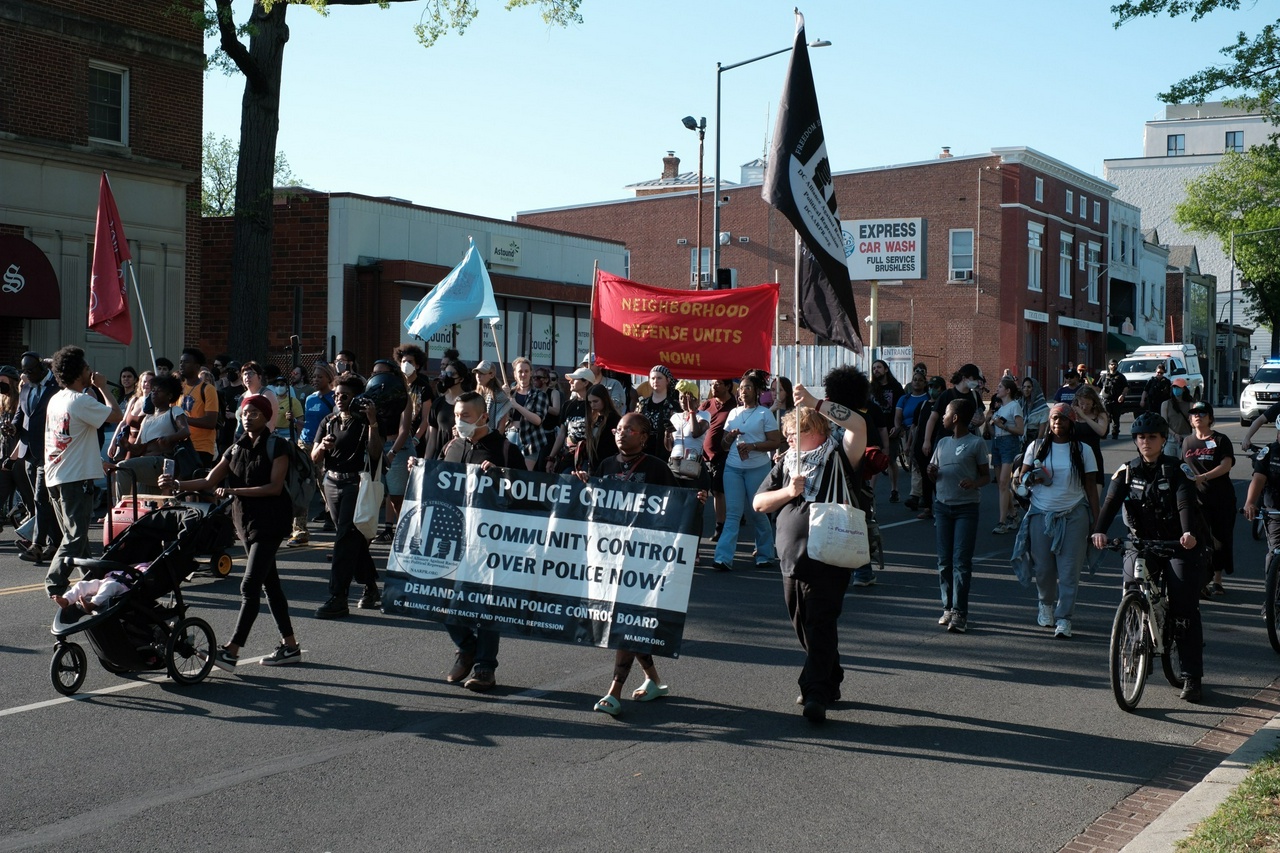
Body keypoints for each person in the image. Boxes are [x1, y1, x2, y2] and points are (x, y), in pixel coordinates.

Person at [161, 394, 301, 668]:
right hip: (246, 523)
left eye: (254, 414)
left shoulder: (278, 446)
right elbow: (209, 480)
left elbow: (274, 487)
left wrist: (234, 490)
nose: (247, 417)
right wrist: (177, 484)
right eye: (244, 413)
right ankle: (290, 646)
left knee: (249, 585)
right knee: (270, 585)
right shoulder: (236, 448)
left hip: (271, 523)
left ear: (266, 417)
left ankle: (231, 651)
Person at [754, 390, 867, 723]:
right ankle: (830, 677)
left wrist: (816, 402)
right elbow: (759, 504)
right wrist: (789, 491)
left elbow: (859, 425)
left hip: (830, 556)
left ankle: (815, 692)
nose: (788, 437)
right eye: (787, 432)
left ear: (816, 427)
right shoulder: (787, 463)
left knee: (820, 621)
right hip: (792, 559)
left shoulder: (840, 455)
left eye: (795, 431)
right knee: (804, 624)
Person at [1092, 411, 1206, 702]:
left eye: (1152, 437)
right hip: (1141, 544)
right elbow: (1110, 501)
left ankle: (1192, 676)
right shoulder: (1127, 471)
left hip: (1179, 545)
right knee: (1132, 590)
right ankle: (1135, 648)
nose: (1146, 442)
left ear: (1163, 439)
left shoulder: (1177, 470)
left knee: (1184, 609)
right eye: (1141, 437)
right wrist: (1099, 531)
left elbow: (1185, 503)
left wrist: (1188, 532)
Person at [585, 412, 689, 716]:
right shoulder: (605, 465)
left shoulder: (656, 469)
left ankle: (614, 691)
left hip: (643, 560)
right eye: (618, 429)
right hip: (608, 556)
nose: (621, 433)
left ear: (644, 436)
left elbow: (674, 509)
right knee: (629, 622)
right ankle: (654, 680)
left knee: (625, 620)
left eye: (629, 429)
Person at [439, 391, 527, 692]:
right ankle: (467, 647)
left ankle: (485, 668)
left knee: (486, 605)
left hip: (491, 542)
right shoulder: (453, 447)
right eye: (456, 416)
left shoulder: (503, 449)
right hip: (454, 538)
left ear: (484, 417)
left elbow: (528, 493)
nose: (460, 422)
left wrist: (504, 477)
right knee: (442, 602)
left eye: (465, 416)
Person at [42, 346, 123, 598]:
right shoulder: (81, 401)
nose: (92, 372)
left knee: (76, 536)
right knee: (76, 537)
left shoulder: (57, 399)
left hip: (55, 475)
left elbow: (71, 439)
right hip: (75, 480)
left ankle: (92, 580)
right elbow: (117, 414)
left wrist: (96, 463)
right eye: (87, 368)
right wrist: (103, 387)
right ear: (79, 373)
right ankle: (54, 583)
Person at [1012, 403, 1098, 639]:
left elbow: (1091, 487)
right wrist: (1032, 478)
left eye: (1062, 419)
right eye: (1053, 419)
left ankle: (1064, 618)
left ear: (1071, 422)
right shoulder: (1037, 447)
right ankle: (1046, 605)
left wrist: (1097, 521)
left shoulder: (1083, 450)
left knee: (1069, 571)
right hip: (1041, 513)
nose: (1057, 423)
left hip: (1074, 515)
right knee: (1044, 569)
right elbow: (1021, 478)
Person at [313, 376, 382, 619]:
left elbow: (375, 454)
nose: (339, 399)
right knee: (353, 539)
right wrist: (323, 446)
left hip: (355, 484)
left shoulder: (364, 422)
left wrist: (373, 422)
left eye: (345, 395)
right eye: (336, 395)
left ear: (356, 398)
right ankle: (371, 586)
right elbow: (314, 457)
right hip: (331, 483)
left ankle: (338, 596)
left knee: (344, 538)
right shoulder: (328, 420)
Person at [927, 397, 990, 633]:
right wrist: (931, 472)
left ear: (954, 418)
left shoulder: (976, 444)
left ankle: (960, 612)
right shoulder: (942, 443)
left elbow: (987, 477)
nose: (942, 417)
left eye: (945, 413)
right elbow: (934, 474)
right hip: (942, 507)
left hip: (966, 509)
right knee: (944, 561)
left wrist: (974, 483)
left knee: (961, 562)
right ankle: (947, 607)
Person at [713, 371, 781, 571]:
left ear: (757, 391)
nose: (743, 391)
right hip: (733, 468)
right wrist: (730, 437)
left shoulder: (764, 413)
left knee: (758, 513)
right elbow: (724, 446)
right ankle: (723, 557)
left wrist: (753, 446)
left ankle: (765, 554)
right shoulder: (734, 413)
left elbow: (775, 442)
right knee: (733, 513)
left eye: (748, 387)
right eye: (741, 388)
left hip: (757, 469)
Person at [1183, 401, 1235, 597]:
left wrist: (1203, 477)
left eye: (1202, 413)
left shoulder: (1221, 440)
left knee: (1220, 541)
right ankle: (1202, 580)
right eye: (1194, 413)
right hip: (1197, 500)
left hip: (1222, 498)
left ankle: (1218, 581)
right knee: (1200, 541)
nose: (1198, 416)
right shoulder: (1187, 442)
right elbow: (1184, 466)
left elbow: (1227, 464)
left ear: (1210, 418)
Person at [15, 352, 62, 565]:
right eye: (24, 371)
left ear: (42, 369)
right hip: (28, 453)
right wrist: (10, 429)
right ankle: (55, 542)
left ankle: (37, 545)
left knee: (40, 499)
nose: (27, 375)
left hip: (48, 452)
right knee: (44, 501)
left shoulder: (56, 389)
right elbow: (20, 418)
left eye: (30, 370)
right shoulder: (25, 388)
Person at [113, 374, 189, 498]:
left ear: (169, 395)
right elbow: (139, 448)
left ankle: (119, 507)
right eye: (153, 390)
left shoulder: (174, 411)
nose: (154, 393)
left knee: (123, 468)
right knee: (146, 503)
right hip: (147, 463)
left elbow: (185, 431)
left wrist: (170, 438)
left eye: (159, 391)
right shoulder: (147, 418)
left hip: (163, 462)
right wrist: (127, 445)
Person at [987, 377, 1025, 534]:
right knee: (1001, 485)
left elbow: (1020, 430)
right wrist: (990, 421)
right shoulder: (999, 408)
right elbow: (991, 430)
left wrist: (1003, 426)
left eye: (1000, 386)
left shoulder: (1014, 406)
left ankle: (1002, 521)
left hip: (1009, 444)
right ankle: (1014, 515)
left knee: (1004, 482)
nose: (998, 388)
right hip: (997, 443)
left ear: (1008, 390)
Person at [700, 378, 736, 539]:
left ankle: (719, 527)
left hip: (724, 454)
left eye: (718, 384)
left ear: (728, 386)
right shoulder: (707, 404)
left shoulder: (734, 406)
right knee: (704, 490)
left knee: (717, 491)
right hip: (703, 455)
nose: (713, 387)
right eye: (712, 384)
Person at [502, 356, 548, 471]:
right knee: (508, 472)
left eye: (526, 371)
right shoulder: (509, 393)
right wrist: (503, 398)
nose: (523, 374)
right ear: (515, 374)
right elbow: (501, 417)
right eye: (520, 371)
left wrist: (516, 405)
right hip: (510, 436)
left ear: (531, 373)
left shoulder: (539, 395)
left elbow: (538, 420)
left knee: (524, 473)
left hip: (530, 439)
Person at [870, 359, 906, 502]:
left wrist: (899, 426)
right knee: (874, 460)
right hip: (874, 429)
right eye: (874, 368)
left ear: (886, 369)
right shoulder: (871, 387)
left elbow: (901, 407)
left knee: (891, 460)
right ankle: (871, 492)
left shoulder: (895, 387)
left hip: (891, 429)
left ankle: (894, 489)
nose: (876, 370)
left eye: (879, 367)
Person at [177, 348, 220, 468]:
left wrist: (183, 419)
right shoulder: (179, 389)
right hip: (181, 445)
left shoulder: (208, 389)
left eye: (186, 362)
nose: (182, 365)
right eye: (181, 362)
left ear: (196, 366)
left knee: (197, 484)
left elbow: (211, 422)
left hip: (201, 447)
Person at [895, 373, 930, 511]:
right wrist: (899, 429)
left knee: (919, 463)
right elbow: (898, 416)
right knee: (912, 463)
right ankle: (919, 494)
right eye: (914, 380)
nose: (917, 383)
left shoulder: (927, 398)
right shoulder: (905, 398)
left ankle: (917, 495)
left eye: (920, 380)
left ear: (924, 383)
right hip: (907, 432)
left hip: (923, 433)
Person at [1071, 384, 1109, 499]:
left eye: (1088, 404)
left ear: (1093, 403)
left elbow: (1101, 431)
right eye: (1082, 403)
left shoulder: (1100, 415)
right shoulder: (1072, 415)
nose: (1084, 407)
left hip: (1094, 457)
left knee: (1094, 499)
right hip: (1076, 457)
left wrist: (1084, 417)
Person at [636, 365, 680, 458]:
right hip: (644, 451)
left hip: (666, 452)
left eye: (659, 378)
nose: (655, 381)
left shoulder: (675, 406)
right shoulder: (643, 404)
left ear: (667, 380)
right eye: (652, 378)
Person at [1161, 378, 1192, 458]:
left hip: (1186, 438)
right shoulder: (1166, 404)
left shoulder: (1190, 404)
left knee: (1184, 465)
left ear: (1184, 389)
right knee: (1169, 464)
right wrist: (1175, 434)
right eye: (1174, 387)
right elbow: (1164, 423)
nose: (1176, 389)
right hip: (1171, 439)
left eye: (1178, 387)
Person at [1098, 359, 1128, 439]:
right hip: (1106, 401)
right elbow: (1098, 387)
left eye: (1115, 364)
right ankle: (1104, 433)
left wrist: (1122, 395)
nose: (1113, 366)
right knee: (1105, 417)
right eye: (1112, 364)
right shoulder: (1104, 377)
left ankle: (1115, 434)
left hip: (1117, 401)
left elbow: (1126, 387)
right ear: (1109, 366)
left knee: (1116, 418)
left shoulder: (1121, 377)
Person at [1020, 377, 1050, 451]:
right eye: (1024, 387)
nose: (1026, 389)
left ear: (1035, 389)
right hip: (1020, 438)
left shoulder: (1043, 408)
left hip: (1033, 438)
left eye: (1029, 387)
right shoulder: (1020, 404)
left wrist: (1037, 445)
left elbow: (1041, 431)